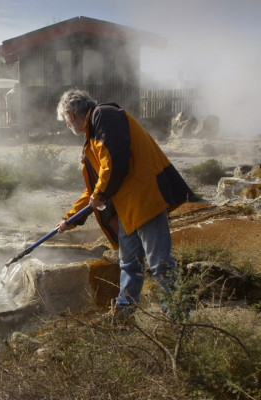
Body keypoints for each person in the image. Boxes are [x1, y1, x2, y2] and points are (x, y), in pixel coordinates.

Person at [55, 89, 193, 321]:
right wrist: (70, 218)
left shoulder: (104, 116)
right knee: (129, 264)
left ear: (71, 114)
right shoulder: (92, 137)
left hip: (145, 198)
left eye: (66, 122)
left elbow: (115, 158)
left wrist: (101, 193)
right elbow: (93, 189)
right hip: (127, 207)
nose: (67, 127)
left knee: (159, 262)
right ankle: (123, 314)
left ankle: (178, 316)